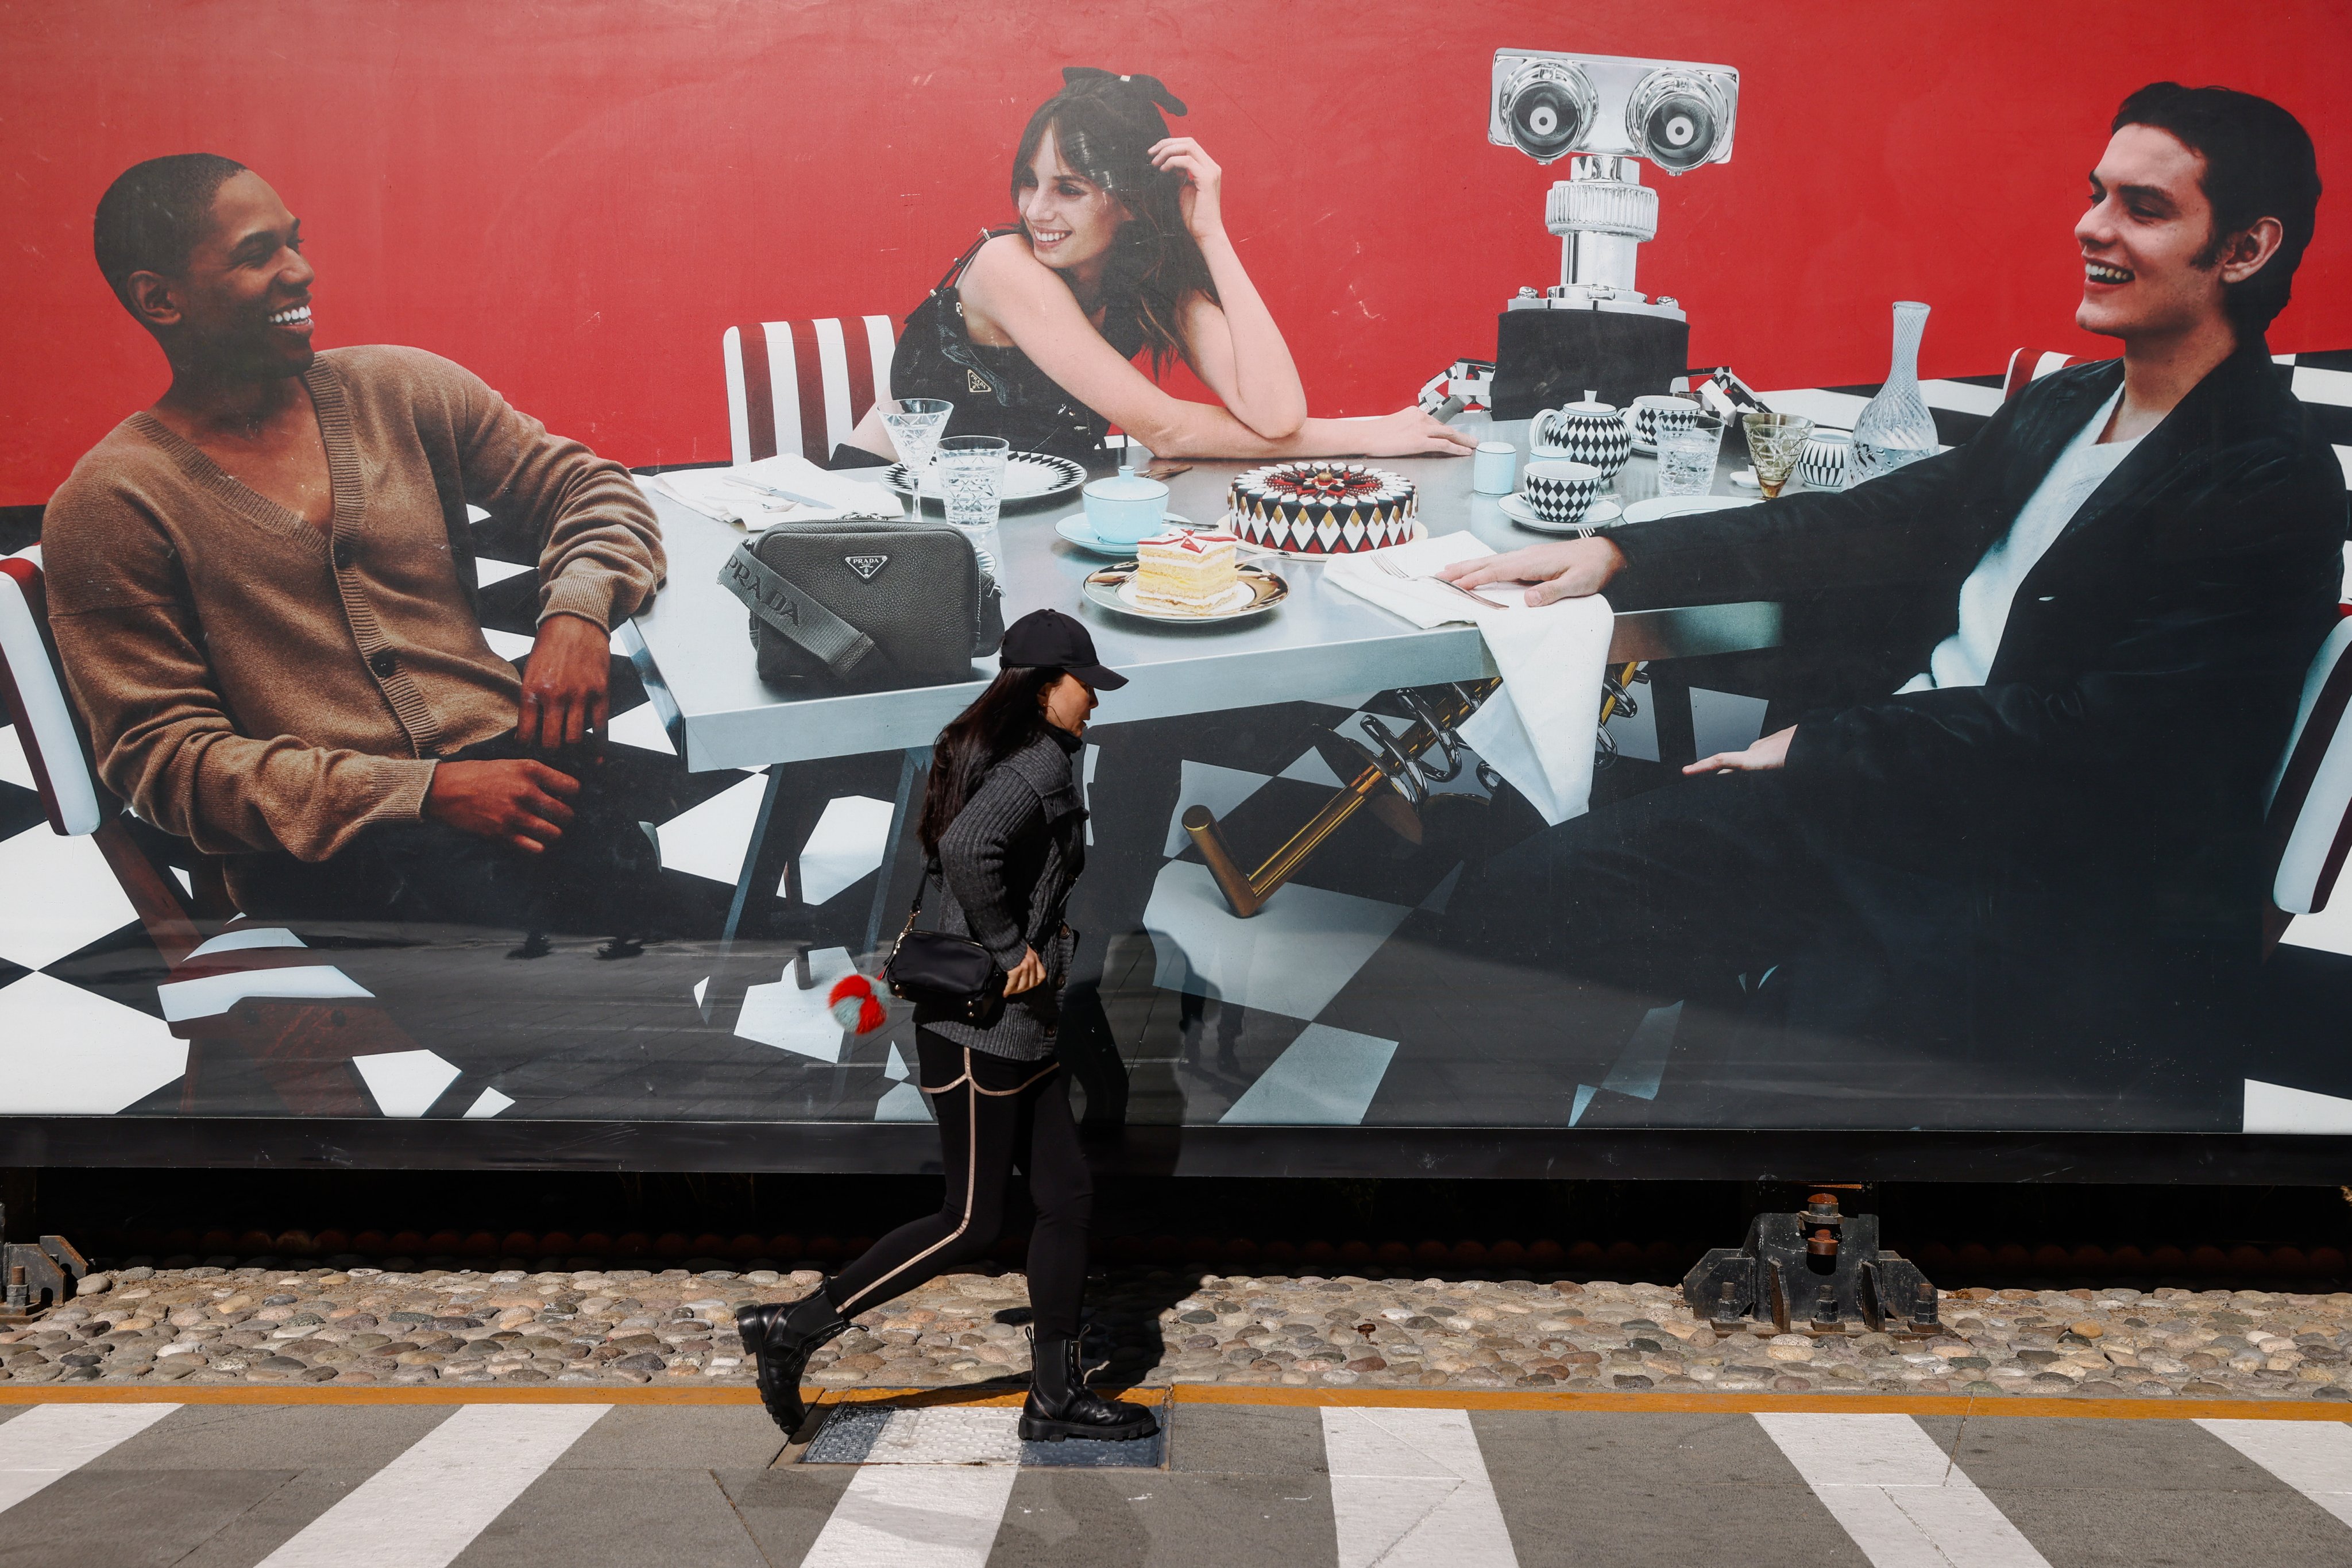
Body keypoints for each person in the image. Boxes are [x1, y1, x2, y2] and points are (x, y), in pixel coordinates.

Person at [1434, 84, 2343, 1118]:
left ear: (2245, 249)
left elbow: (2114, 740)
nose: (2090, 226)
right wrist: (1616, 553)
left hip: (2032, 881)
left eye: (2143, 208)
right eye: (2097, 196)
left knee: (1752, 1098)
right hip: (1888, 801)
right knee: (1527, 902)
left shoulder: (2271, 479)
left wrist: (1822, 748)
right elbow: (1856, 522)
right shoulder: (2068, 403)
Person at [41, 155, 676, 943]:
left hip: (515, 780)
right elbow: (168, 764)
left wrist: (577, 613)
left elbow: (594, 491)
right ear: (159, 298)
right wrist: (421, 790)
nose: (299, 272)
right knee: (612, 977)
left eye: (293, 243)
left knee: (662, 947)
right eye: (256, 253)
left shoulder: (403, 389)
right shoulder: (113, 502)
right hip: (333, 849)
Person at [736, 609, 1154, 1442]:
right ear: (1043, 689)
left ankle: (1053, 1394)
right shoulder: (1032, 763)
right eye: (1084, 688)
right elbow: (967, 849)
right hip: (978, 1027)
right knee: (970, 1218)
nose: (1093, 705)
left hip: (1017, 1025)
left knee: (1065, 1195)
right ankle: (793, 1329)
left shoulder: (995, 747)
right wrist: (1006, 947)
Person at [848, 67, 1475, 465]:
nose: (1036, 210)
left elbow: (1277, 413)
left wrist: (1211, 233)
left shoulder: (1145, 281)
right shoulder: (1005, 266)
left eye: (1069, 189)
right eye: (1028, 182)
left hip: (1022, 523)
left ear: (1129, 202)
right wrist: (1368, 433)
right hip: (883, 513)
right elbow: (1167, 431)